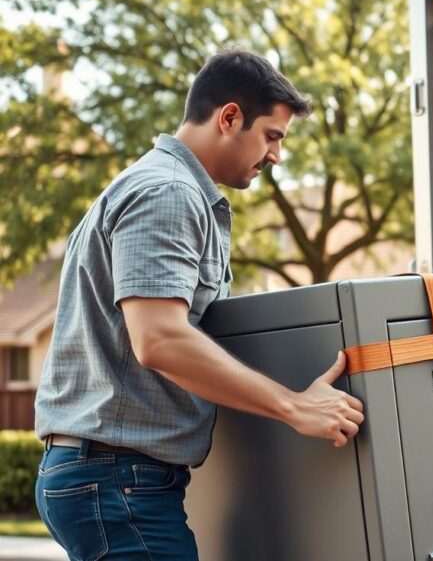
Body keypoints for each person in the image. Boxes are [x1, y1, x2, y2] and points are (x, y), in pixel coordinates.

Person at [33, 48, 365, 561]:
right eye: (272, 136)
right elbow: (160, 339)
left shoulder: (156, 185)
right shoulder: (168, 192)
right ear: (230, 117)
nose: (277, 155)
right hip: (118, 483)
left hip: (112, 477)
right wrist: (293, 405)